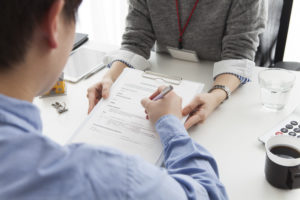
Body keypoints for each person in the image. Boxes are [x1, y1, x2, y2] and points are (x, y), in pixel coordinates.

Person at [0, 0, 229, 199]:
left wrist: (217, 94)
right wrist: (170, 123)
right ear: (53, 24)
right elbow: (209, 193)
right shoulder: (113, 180)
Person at [87, 0, 267, 129]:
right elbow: (136, 39)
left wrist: (216, 96)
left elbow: (238, 53)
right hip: (165, 76)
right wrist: (110, 77)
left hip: (216, 78)